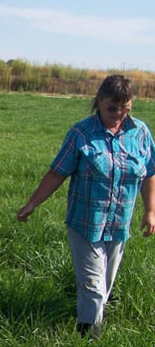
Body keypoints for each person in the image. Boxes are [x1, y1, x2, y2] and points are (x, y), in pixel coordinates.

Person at [17, 74, 155, 340]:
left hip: (118, 224)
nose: (118, 114)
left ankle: (89, 323)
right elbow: (57, 172)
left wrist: (150, 210)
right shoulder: (81, 133)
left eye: (125, 108)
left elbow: (149, 172)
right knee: (92, 285)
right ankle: (88, 336)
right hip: (85, 223)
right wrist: (32, 203)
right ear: (98, 102)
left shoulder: (140, 133)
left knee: (105, 284)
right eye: (112, 108)